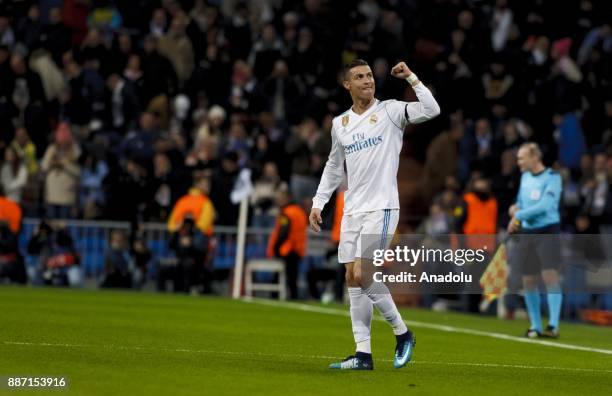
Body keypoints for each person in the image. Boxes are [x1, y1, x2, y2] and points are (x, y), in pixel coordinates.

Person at [309, 59, 440, 370]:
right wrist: (318, 202)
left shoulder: (391, 111)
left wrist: (411, 77)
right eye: (359, 77)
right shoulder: (339, 124)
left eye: (369, 75)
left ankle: (403, 333)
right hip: (353, 211)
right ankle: (363, 355)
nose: (367, 81)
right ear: (347, 85)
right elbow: (332, 166)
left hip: (381, 208)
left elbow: (432, 109)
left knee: (363, 274)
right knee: (351, 280)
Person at [507, 142, 563, 338]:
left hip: (547, 230)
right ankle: (535, 326)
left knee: (550, 276)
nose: (519, 162)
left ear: (534, 157)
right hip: (528, 233)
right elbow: (521, 203)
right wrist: (514, 209)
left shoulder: (553, 178)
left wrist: (519, 215)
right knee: (528, 279)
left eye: (522, 158)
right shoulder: (525, 177)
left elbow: (546, 205)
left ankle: (553, 325)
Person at [267, 186, 308, 299]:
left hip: (287, 248)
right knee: (292, 276)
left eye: (280, 198)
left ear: (287, 198)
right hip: (298, 248)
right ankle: (293, 296)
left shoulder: (286, 213)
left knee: (281, 274)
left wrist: (276, 247)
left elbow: (283, 232)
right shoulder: (299, 211)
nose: (278, 201)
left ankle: (274, 295)